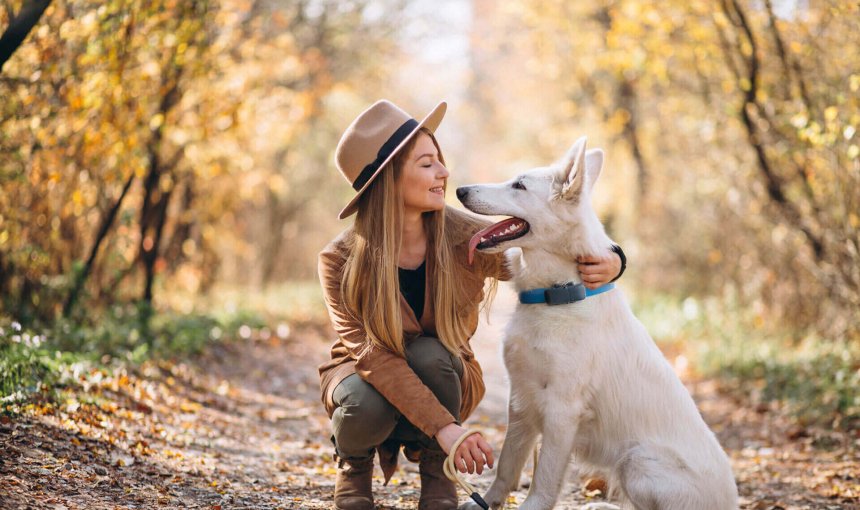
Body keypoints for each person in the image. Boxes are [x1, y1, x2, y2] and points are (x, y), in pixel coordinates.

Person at [317, 100, 624, 510]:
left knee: (432, 356)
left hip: (442, 375)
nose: (444, 172)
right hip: (367, 377)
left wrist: (615, 259)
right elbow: (373, 357)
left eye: (440, 160)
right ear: (388, 179)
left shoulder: (466, 235)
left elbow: (552, 235)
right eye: (427, 164)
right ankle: (354, 467)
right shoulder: (338, 260)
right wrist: (448, 429)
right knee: (361, 400)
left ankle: (436, 471)